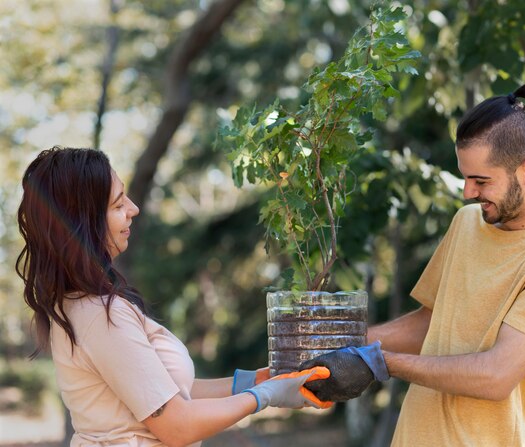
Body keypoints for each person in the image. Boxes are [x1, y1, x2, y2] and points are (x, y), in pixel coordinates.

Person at [301, 83, 525, 446]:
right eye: (465, 177)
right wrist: (341, 344)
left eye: (481, 180)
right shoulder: (467, 224)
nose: (467, 192)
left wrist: (379, 363)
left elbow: (496, 376)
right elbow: (430, 323)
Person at [16, 146, 331, 447]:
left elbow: (164, 391)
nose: (133, 209)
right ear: (84, 223)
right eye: (117, 204)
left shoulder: (83, 305)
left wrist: (259, 379)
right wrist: (268, 396)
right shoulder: (99, 314)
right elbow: (177, 427)